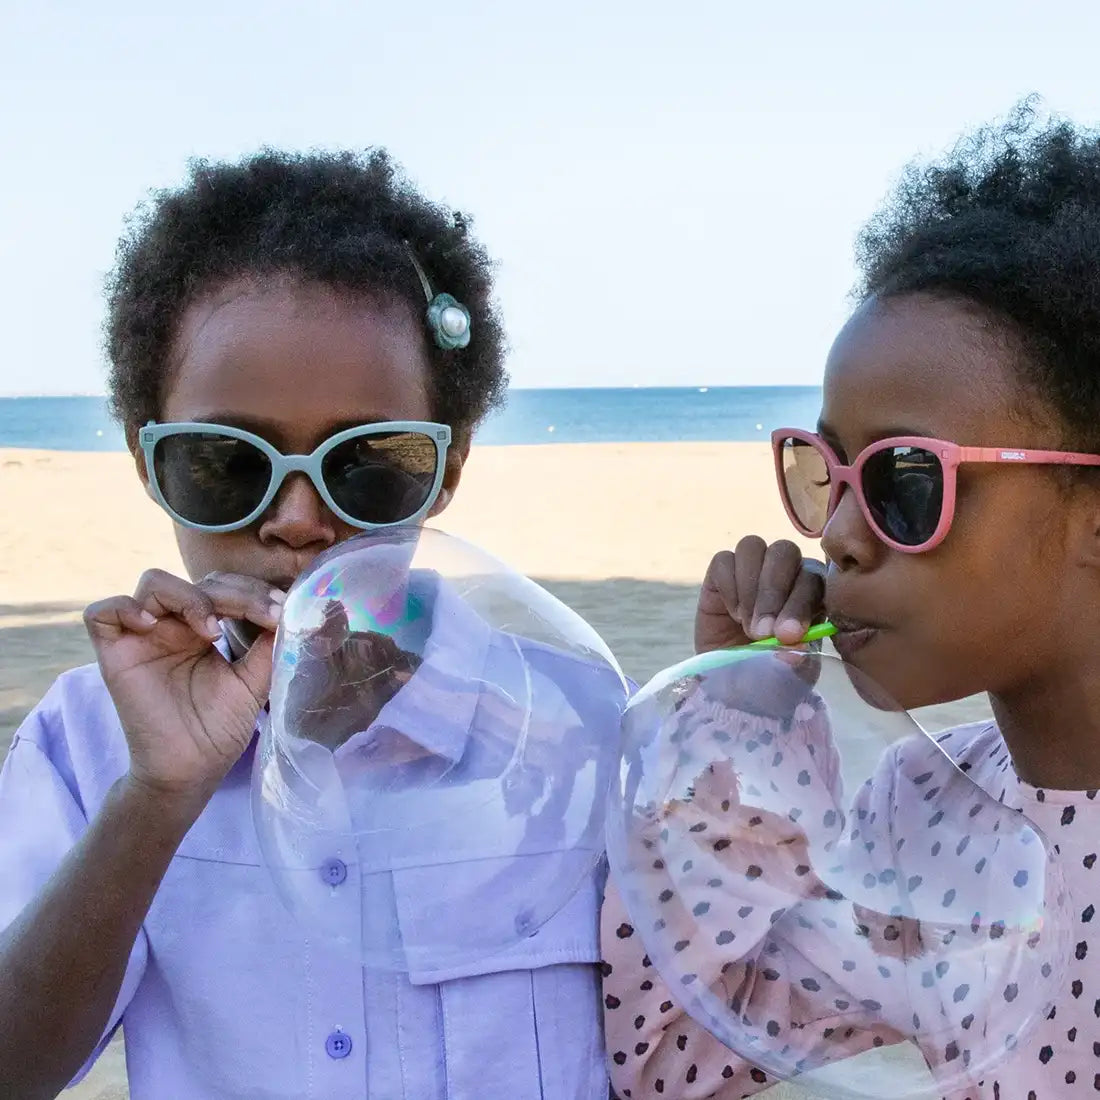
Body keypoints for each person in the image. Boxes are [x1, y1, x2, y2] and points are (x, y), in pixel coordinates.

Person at [0, 149, 614, 1099]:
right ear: (145, 458)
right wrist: (156, 799)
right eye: (226, 463)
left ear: (446, 470)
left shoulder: (580, 724)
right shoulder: (86, 748)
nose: (295, 520)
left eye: (368, 461)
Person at [601, 102, 1100, 1098]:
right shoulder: (918, 815)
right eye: (822, 470)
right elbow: (673, 1061)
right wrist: (744, 721)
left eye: (903, 479)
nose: (832, 532)